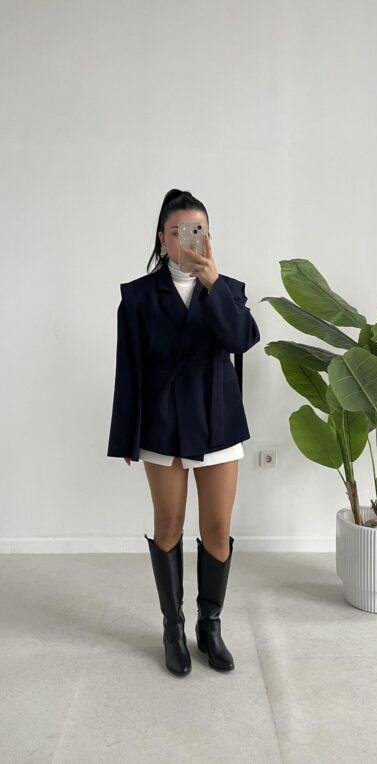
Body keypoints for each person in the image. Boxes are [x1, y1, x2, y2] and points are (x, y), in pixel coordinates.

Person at [107, 189, 260, 677]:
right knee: (168, 526)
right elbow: (129, 370)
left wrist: (212, 284)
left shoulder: (229, 289)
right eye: (176, 232)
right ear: (162, 238)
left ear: (208, 237)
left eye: (196, 231)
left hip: (218, 422)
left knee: (216, 529)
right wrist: (125, 436)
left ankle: (208, 626)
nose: (186, 240)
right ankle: (172, 628)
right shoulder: (137, 296)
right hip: (163, 425)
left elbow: (241, 340)